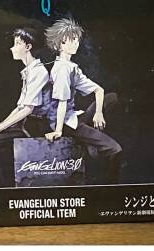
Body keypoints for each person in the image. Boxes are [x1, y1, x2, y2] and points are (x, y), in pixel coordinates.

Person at [44, 18, 122, 184]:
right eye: (72, 40)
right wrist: (58, 131)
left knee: (111, 98)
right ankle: (111, 186)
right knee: (115, 149)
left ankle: (90, 141)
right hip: (65, 123)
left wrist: (98, 113)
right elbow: (62, 102)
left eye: (77, 39)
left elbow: (99, 90)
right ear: (60, 44)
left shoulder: (72, 67)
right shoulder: (62, 69)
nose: (76, 43)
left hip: (74, 116)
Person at [0, 27, 53, 186]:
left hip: (38, 126)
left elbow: (28, 109)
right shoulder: (29, 71)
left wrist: (1, 128)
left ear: (28, 47)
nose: (12, 48)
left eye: (17, 43)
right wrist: (1, 125)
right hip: (26, 123)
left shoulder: (39, 72)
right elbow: (20, 107)